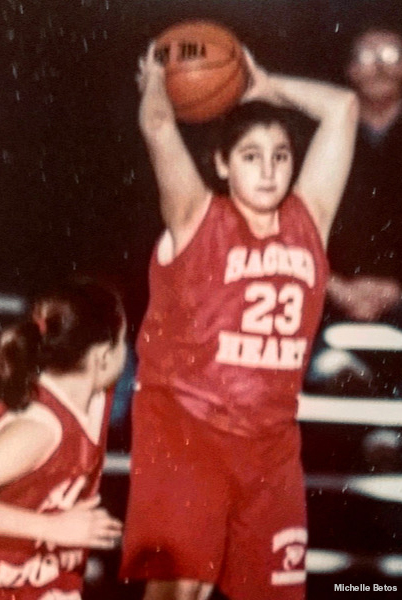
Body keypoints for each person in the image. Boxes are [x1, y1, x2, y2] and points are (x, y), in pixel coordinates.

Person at [121, 39, 357, 600]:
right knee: (181, 592)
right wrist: (157, 79)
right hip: (187, 432)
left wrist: (264, 84)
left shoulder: (310, 218)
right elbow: (158, 127)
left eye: (281, 154)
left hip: (270, 445)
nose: (270, 169)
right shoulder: (195, 215)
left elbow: (343, 108)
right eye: (251, 155)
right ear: (223, 164)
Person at [0, 278, 128, 599]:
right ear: (102, 357)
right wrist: (54, 529)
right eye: (125, 341)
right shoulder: (42, 428)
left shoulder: (85, 407)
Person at [310, 25, 402, 397]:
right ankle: (340, 376)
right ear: (350, 70)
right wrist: (335, 285)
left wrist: (399, 286)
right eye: (368, 58)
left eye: (390, 56)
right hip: (334, 287)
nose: (379, 68)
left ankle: (393, 432)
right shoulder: (320, 138)